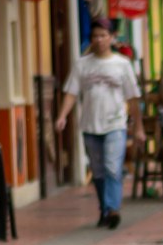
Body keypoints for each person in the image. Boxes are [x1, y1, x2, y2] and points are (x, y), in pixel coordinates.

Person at [55, 18, 145, 230]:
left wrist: (138, 126)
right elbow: (71, 93)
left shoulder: (123, 64)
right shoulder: (82, 64)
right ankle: (105, 209)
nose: (99, 40)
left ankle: (113, 209)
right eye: (95, 36)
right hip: (90, 125)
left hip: (115, 124)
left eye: (104, 35)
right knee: (98, 172)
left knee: (113, 168)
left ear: (112, 38)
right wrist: (62, 116)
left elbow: (133, 97)